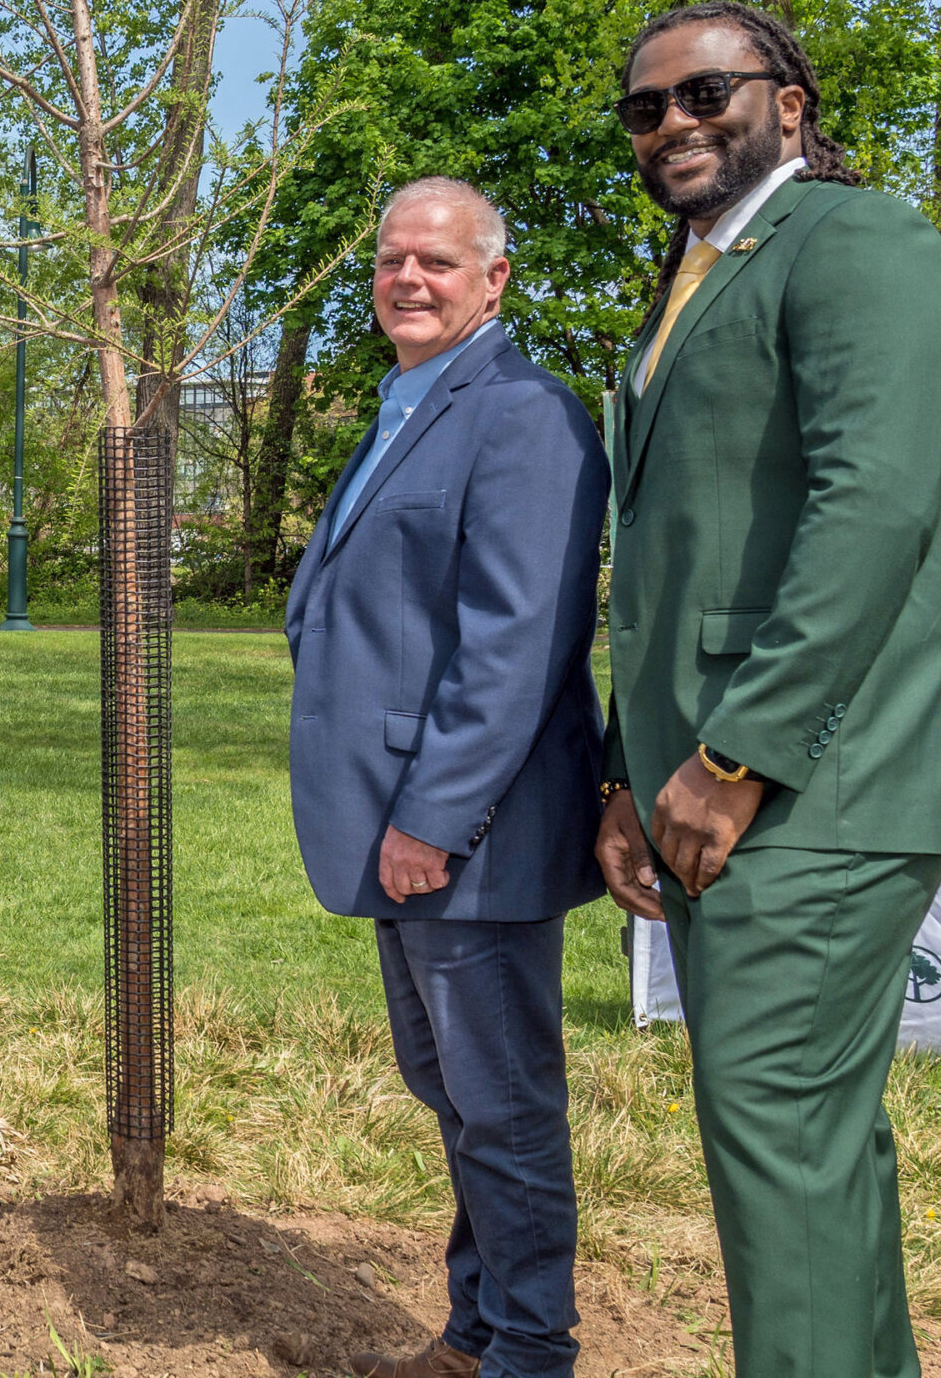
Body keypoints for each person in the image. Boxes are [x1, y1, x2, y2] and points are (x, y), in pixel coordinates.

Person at [592, 3, 941, 1378]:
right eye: (646, 109)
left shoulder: (863, 244)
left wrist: (738, 754)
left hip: (811, 780)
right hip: (714, 784)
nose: (675, 122)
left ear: (790, 97)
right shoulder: (701, 275)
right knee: (800, 1142)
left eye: (706, 90)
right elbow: (673, 567)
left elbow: (876, 506)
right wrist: (625, 770)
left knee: (776, 1125)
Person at [287, 178, 610, 1378]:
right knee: (453, 1090)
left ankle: (530, 1349)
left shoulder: (521, 413)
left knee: (504, 1104)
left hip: (471, 838)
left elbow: (514, 643)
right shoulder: (409, 401)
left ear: (494, 279)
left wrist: (431, 817)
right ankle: (478, 1330)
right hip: (397, 827)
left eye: (435, 260)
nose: (407, 279)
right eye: (390, 260)